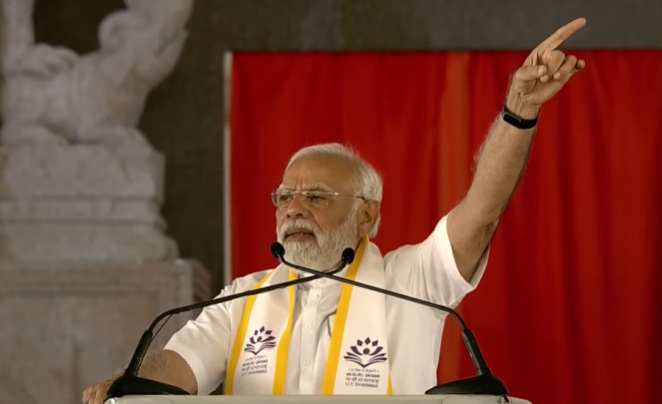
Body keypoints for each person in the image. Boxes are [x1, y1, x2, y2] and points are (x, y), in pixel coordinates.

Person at [83, 17, 586, 403]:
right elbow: (178, 367)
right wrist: (131, 383)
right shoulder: (242, 299)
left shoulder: (410, 282)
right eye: (285, 197)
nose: (294, 209)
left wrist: (519, 112)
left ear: (366, 216)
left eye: (317, 197)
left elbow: (481, 213)